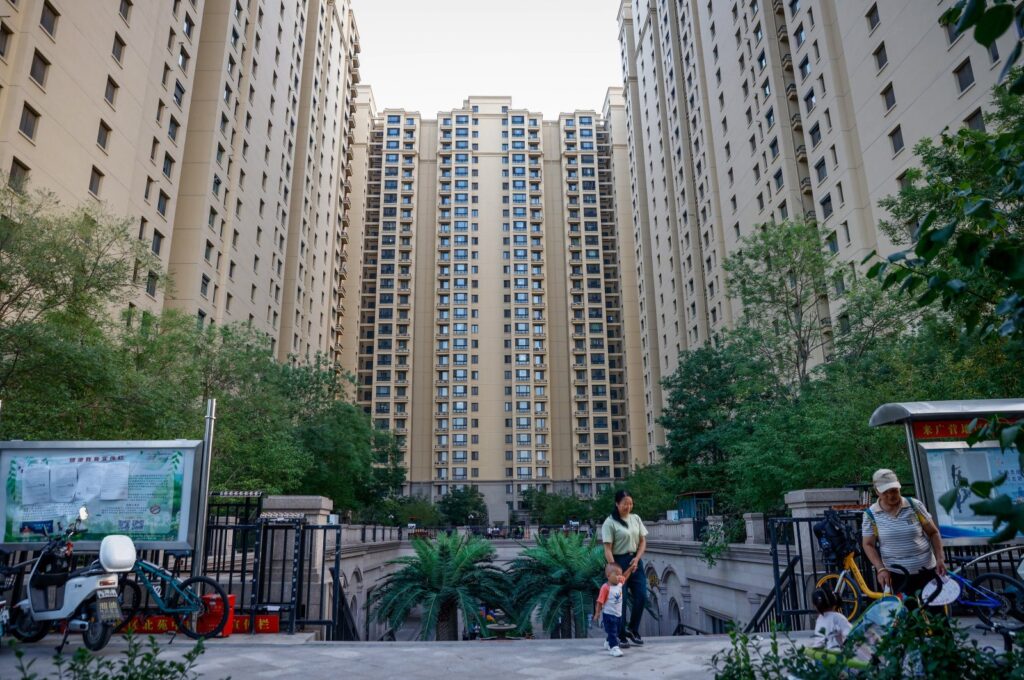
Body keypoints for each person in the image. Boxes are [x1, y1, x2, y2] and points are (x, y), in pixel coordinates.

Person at [861, 468, 947, 598]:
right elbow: (868, 544)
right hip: (897, 575)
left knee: (936, 615)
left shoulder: (914, 505)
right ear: (877, 491)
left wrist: (940, 558)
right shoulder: (870, 515)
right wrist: (880, 568)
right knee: (907, 615)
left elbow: (933, 533)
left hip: (927, 570)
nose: (891, 495)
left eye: (894, 490)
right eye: (885, 492)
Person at [601, 490, 648, 647]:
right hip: (618, 561)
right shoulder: (610, 522)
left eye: (630, 503)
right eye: (624, 504)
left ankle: (633, 629)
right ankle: (620, 635)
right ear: (617, 504)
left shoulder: (636, 518)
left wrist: (637, 558)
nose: (628, 506)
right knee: (620, 599)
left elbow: (642, 541)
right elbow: (607, 548)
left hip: (635, 561)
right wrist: (614, 569)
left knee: (641, 595)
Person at [593, 562, 634, 657]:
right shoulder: (605, 588)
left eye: (620, 574)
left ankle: (608, 641)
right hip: (609, 615)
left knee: (617, 630)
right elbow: (599, 601)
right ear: (608, 575)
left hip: (618, 614)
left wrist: (631, 569)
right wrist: (597, 613)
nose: (619, 577)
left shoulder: (619, 584)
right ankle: (614, 648)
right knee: (612, 631)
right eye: (616, 574)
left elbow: (625, 576)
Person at [810, 586, 852, 651]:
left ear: (815, 606)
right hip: (835, 654)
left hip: (820, 654)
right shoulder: (838, 617)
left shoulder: (820, 618)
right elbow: (850, 634)